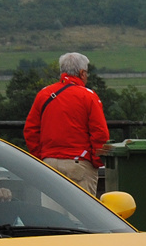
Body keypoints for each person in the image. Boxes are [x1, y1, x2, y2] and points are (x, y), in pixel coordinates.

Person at [23, 52, 109, 192]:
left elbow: (30, 130)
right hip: (79, 164)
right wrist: (96, 161)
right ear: (82, 73)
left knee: (52, 213)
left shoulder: (43, 94)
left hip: (48, 163)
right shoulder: (89, 96)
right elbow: (100, 134)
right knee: (81, 212)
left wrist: (42, 157)